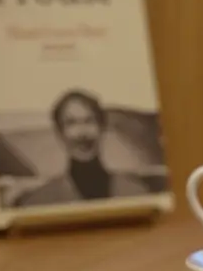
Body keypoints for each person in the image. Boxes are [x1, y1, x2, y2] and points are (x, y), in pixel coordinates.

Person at [14, 89, 150, 207]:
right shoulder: (39, 202)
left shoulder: (135, 192)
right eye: (71, 123)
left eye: (89, 121)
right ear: (59, 133)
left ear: (102, 127)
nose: (82, 133)